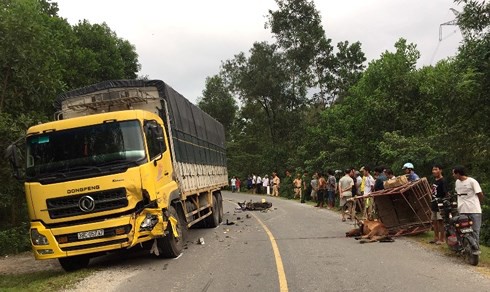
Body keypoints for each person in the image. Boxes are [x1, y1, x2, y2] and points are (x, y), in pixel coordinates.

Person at [453, 165, 484, 244]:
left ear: (458, 174)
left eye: (454, 173)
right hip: (462, 210)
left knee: (475, 230)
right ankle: (464, 247)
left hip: (474, 210)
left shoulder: (472, 181)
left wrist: (478, 203)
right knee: (461, 229)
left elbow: (480, 194)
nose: (453, 175)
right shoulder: (457, 182)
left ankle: (476, 249)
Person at [430, 164, 448, 245]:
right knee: (434, 221)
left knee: (440, 221)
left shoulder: (443, 181)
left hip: (440, 204)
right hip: (434, 203)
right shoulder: (435, 180)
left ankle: (442, 238)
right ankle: (436, 237)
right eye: (433, 169)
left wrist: (443, 202)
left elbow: (446, 193)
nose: (434, 171)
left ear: (440, 170)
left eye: (436, 169)